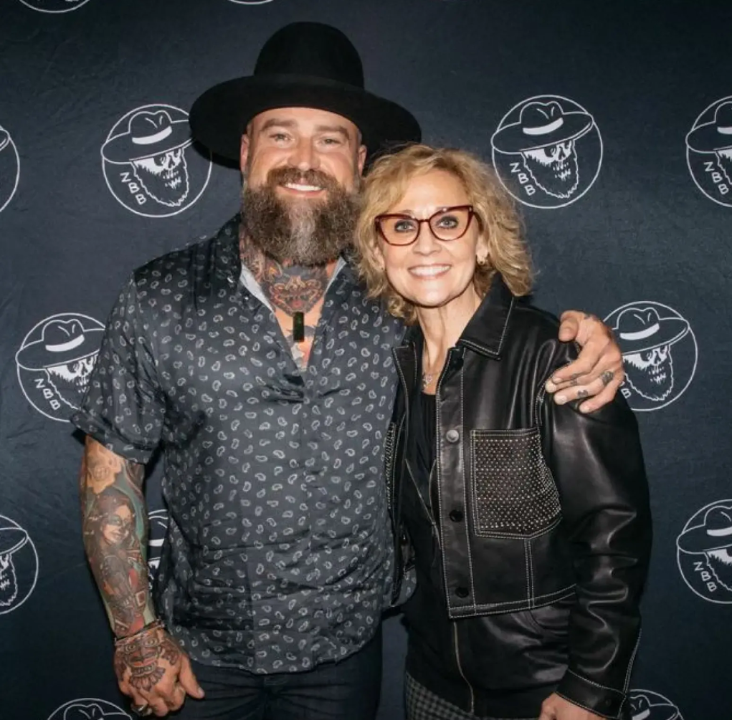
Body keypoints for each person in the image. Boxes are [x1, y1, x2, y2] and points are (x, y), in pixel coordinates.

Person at [73, 22, 626, 720]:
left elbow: (490, 317)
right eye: (281, 134)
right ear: (245, 150)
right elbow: (111, 470)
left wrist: (579, 336)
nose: (304, 160)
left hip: (346, 653)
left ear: (359, 161)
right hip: (196, 653)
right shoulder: (159, 298)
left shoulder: (398, 289)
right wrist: (136, 636)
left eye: (330, 139)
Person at [353, 144, 652, 720]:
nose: (424, 243)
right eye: (401, 225)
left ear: (484, 238)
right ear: (378, 247)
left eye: (447, 221)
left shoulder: (553, 358)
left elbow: (613, 537)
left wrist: (592, 686)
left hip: (542, 690)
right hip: (430, 680)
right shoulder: (389, 362)